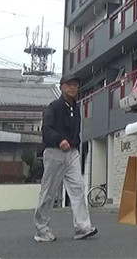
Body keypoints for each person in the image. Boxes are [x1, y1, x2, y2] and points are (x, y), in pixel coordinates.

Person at [34, 78, 98, 242]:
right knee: (49, 190)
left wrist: (74, 144)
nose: (72, 88)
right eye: (69, 85)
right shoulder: (54, 106)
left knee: (78, 187)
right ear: (61, 87)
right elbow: (46, 128)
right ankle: (41, 229)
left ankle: (82, 227)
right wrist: (59, 140)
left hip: (72, 152)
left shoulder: (76, 108)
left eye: (75, 85)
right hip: (54, 151)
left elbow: (76, 131)